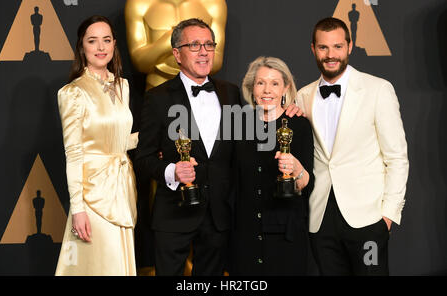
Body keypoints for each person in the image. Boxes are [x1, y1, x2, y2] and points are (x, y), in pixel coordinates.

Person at [296, 17, 409, 275]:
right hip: (321, 218)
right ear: (313, 49)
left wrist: (388, 216)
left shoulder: (378, 89)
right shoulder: (302, 96)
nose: (330, 54)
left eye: (337, 46)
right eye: (323, 47)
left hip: (368, 218)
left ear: (350, 46)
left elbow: (397, 158)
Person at [135, 18, 240, 276]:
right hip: (174, 212)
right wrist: (172, 171)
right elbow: (143, 158)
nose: (204, 51)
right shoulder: (157, 98)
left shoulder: (231, 93)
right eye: (194, 45)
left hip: (219, 214)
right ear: (177, 54)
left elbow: (242, 148)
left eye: (208, 44)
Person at [55, 15, 138, 276]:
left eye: (106, 40)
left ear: (114, 44)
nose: (101, 48)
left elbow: (119, 140)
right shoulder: (73, 92)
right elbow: (74, 152)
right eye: (93, 41)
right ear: (82, 47)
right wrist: (77, 209)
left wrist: (152, 141)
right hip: (92, 196)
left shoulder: (122, 86)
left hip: (122, 189)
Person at [229, 56, 314, 275]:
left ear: (286, 87)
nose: (267, 90)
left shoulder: (299, 124)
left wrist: (296, 168)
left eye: (274, 83)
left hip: (285, 234)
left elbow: (307, 183)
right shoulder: (238, 123)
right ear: (252, 87)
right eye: (261, 83)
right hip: (245, 235)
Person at [125, 0, 227, 90]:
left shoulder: (213, 3)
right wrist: (173, 39)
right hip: (157, 91)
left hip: (199, 91)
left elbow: (216, 61)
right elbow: (140, 63)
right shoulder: (138, 2)